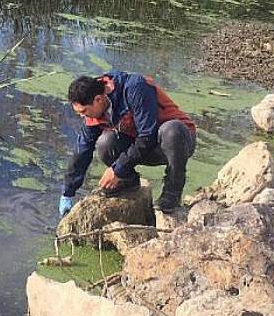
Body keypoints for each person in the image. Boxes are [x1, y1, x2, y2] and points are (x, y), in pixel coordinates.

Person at [59, 71, 196, 216]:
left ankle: (171, 194)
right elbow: (83, 149)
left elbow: (147, 136)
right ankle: (128, 182)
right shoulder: (94, 108)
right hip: (143, 145)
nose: (82, 116)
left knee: (172, 130)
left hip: (176, 143)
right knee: (105, 143)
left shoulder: (135, 88)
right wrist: (67, 192)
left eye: (84, 111)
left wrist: (117, 169)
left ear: (98, 99)